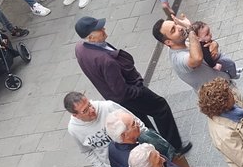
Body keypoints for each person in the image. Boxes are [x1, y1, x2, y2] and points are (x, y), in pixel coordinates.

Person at [74, 17, 189, 153]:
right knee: (160, 107)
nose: (104, 30)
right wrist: (139, 89)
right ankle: (175, 147)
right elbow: (122, 90)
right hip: (129, 94)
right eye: (99, 29)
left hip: (114, 96)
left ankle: (159, 149)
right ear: (91, 37)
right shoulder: (106, 61)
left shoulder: (80, 48)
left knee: (141, 122)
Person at [151, 14, 243, 95]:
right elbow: (197, 59)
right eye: (173, 30)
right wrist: (190, 30)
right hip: (219, 98)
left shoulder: (185, 40)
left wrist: (214, 44)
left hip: (226, 86)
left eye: (175, 24)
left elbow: (205, 41)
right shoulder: (178, 59)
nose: (179, 28)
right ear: (168, 42)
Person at [105, 109, 186, 167]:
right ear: (124, 135)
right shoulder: (136, 158)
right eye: (133, 124)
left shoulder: (113, 146)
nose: (138, 124)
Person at [63, 93, 125, 167]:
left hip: (134, 157)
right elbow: (87, 151)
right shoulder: (74, 129)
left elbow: (134, 121)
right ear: (75, 115)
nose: (92, 110)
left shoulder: (107, 107)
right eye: (85, 110)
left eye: (89, 105)